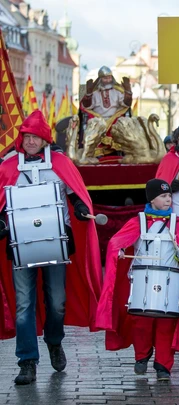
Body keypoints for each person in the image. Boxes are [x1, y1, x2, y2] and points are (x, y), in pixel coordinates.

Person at [0, 110, 102, 385]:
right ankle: (27, 362)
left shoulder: (60, 163)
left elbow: (76, 194)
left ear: (44, 139)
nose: (30, 141)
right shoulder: (9, 165)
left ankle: (54, 342)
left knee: (56, 303)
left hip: (56, 243)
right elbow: (2, 201)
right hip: (19, 247)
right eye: (27, 137)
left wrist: (81, 209)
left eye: (35, 137)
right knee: (24, 305)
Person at [95, 179, 179, 381]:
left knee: (167, 323)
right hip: (143, 282)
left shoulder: (177, 224)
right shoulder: (138, 221)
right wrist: (121, 252)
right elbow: (117, 242)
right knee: (141, 321)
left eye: (169, 196)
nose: (168, 200)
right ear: (152, 199)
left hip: (169, 281)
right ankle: (142, 356)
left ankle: (163, 366)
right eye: (163, 196)